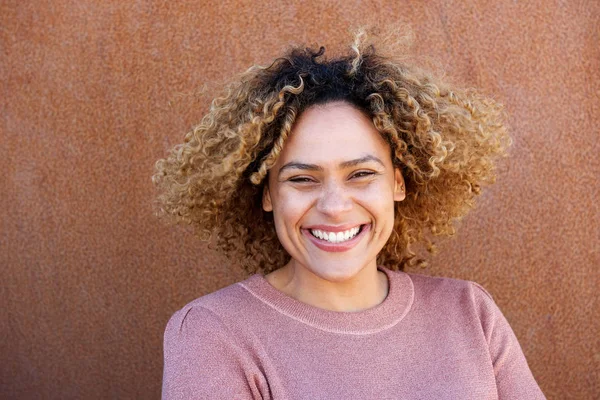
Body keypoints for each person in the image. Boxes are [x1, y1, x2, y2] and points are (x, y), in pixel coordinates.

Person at [153, 30, 546, 399]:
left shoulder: (470, 313)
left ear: (398, 182)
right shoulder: (212, 333)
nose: (335, 206)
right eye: (303, 179)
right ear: (267, 193)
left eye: (361, 175)